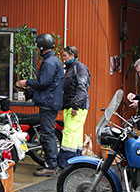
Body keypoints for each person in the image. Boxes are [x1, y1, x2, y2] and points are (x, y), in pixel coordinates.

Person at [16, 33, 64, 177]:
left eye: (38, 46)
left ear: (41, 47)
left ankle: (51, 166)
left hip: (48, 104)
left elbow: (43, 82)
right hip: (50, 102)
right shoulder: (54, 61)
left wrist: (27, 83)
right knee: (47, 133)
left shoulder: (49, 62)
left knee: (46, 134)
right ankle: (51, 164)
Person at [58, 45, 90, 169]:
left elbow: (82, 88)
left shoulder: (79, 68)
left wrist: (75, 106)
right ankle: (75, 161)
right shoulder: (72, 68)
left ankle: (65, 163)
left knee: (69, 134)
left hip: (76, 107)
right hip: (72, 106)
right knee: (75, 135)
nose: (63, 58)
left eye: (65, 56)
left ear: (72, 55)